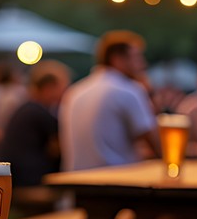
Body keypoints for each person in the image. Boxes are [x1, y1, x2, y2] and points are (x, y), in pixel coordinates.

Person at [59, 30, 158, 171]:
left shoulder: (75, 92)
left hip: (75, 180)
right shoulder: (128, 89)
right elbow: (156, 143)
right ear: (117, 59)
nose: (143, 64)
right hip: (115, 180)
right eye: (136, 57)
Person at [0, 60, 70, 186]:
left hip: (14, 179)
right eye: (63, 86)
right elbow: (61, 145)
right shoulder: (38, 112)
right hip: (28, 183)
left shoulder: (27, 108)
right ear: (49, 87)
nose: (66, 92)